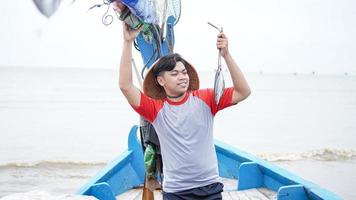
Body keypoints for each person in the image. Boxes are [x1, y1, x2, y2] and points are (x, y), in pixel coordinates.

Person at [119, 22, 251, 200]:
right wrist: (128, 43)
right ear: (160, 81)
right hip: (176, 192)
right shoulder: (155, 109)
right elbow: (126, 86)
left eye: (184, 72)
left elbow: (243, 92)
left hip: (210, 188)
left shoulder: (206, 99)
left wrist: (226, 55)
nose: (182, 77)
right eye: (174, 74)